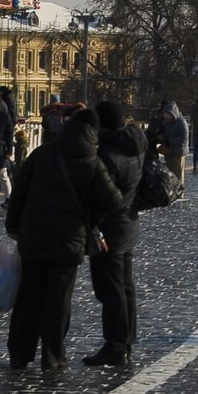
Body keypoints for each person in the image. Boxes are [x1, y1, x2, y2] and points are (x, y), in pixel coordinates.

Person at [6, 108, 125, 371]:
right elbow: (114, 201)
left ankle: (19, 354)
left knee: (28, 297)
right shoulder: (92, 162)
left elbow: (18, 194)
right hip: (69, 242)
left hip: (33, 237)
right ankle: (53, 355)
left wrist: (13, 226)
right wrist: (92, 219)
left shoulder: (42, 154)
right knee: (58, 300)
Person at [84, 100, 146, 366]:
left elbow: (102, 197)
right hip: (129, 224)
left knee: (111, 290)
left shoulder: (108, 155)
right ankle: (127, 340)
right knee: (125, 287)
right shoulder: (134, 147)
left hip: (110, 228)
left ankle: (116, 345)